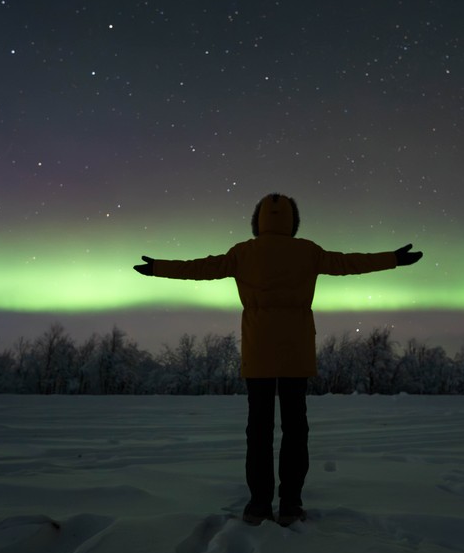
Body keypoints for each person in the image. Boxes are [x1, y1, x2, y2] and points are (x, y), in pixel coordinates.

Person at [133, 193, 422, 526]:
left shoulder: (243, 253)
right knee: (295, 429)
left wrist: (158, 268)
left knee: (259, 430)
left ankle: (258, 504)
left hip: (258, 354)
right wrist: (393, 259)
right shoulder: (308, 252)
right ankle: (290, 504)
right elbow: (349, 263)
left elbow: (200, 268)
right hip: (296, 354)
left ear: (258, 221)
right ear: (293, 222)